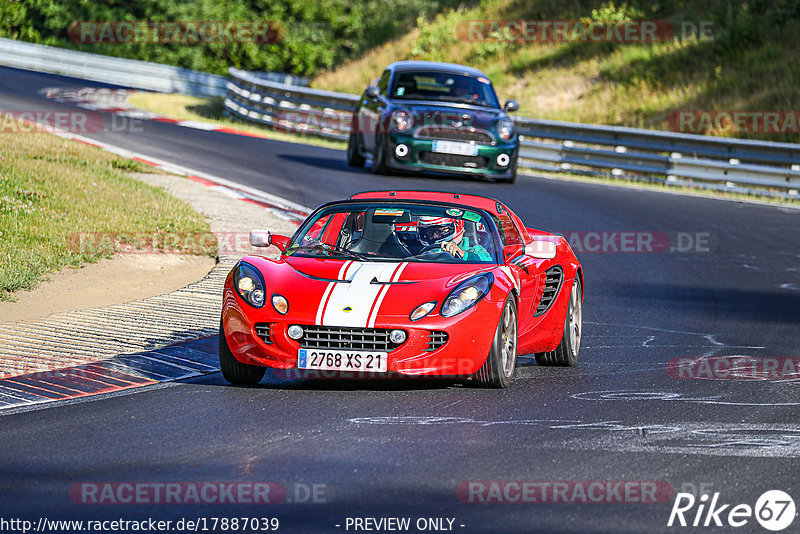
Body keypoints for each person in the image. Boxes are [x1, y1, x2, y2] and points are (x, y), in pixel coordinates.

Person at [417, 216, 491, 261]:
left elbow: (488, 263)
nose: (435, 236)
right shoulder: (417, 249)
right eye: (429, 232)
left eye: (441, 231)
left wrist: (463, 254)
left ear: (457, 226)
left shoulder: (474, 249)